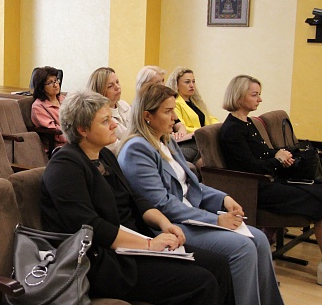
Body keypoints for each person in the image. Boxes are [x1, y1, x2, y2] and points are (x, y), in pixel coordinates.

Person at [41, 90, 234, 304]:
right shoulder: (65, 167)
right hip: (105, 259)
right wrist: (149, 245)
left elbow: (135, 199)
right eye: (105, 121)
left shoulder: (105, 155)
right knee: (202, 282)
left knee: (218, 264)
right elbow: (91, 227)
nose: (114, 124)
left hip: (134, 243)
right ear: (82, 129)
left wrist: (164, 224)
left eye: (111, 118)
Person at [118, 83, 283, 305]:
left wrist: (224, 198)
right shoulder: (137, 149)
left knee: (260, 240)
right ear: (147, 116)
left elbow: (192, 185)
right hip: (171, 225)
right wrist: (215, 220)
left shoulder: (165, 140)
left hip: (191, 215)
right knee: (243, 248)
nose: (175, 118)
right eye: (168, 111)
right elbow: (161, 204)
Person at [219, 74, 322, 285]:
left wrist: (280, 154)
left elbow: (263, 154)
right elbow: (250, 167)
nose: (260, 99)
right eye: (254, 95)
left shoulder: (247, 123)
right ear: (239, 96)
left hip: (267, 180)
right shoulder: (232, 130)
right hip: (255, 188)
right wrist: (277, 160)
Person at [86, 67, 131, 154]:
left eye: (117, 82)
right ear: (99, 91)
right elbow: (115, 148)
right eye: (110, 86)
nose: (117, 87)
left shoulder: (124, 105)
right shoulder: (97, 115)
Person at [31, 66, 66, 150]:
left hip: (76, 140)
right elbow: (54, 131)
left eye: (56, 80)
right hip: (60, 147)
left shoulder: (64, 99)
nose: (55, 85)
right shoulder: (38, 106)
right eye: (50, 83)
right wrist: (76, 136)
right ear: (41, 88)